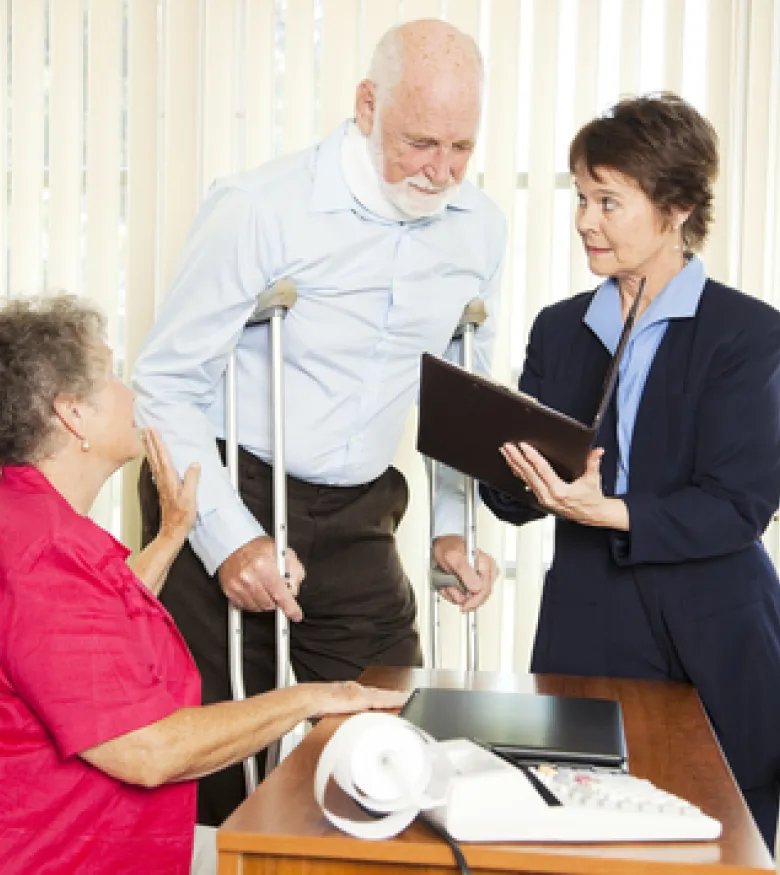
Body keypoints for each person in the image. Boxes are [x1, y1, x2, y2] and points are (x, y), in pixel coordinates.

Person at [132, 18, 505, 824]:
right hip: (229, 482)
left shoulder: (478, 228)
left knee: (388, 734)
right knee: (216, 752)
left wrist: (451, 526)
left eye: (461, 148)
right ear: (367, 105)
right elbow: (165, 382)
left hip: (359, 503)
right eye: (419, 143)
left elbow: (460, 390)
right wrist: (229, 536)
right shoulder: (261, 208)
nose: (439, 171)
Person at [0, 295, 407, 875]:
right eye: (113, 377)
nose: (131, 394)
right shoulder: (45, 556)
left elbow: (83, 647)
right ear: (73, 415)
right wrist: (313, 696)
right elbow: (147, 750)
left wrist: (171, 536)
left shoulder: (28, 518)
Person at [480, 93, 780, 849]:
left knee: (720, 847)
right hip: (588, 625)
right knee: (575, 839)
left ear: (676, 207)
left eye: (609, 200)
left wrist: (609, 510)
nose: (586, 219)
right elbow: (516, 497)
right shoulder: (560, 327)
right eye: (582, 197)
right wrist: (503, 464)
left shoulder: (749, 334)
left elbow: (740, 505)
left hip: (717, 631)